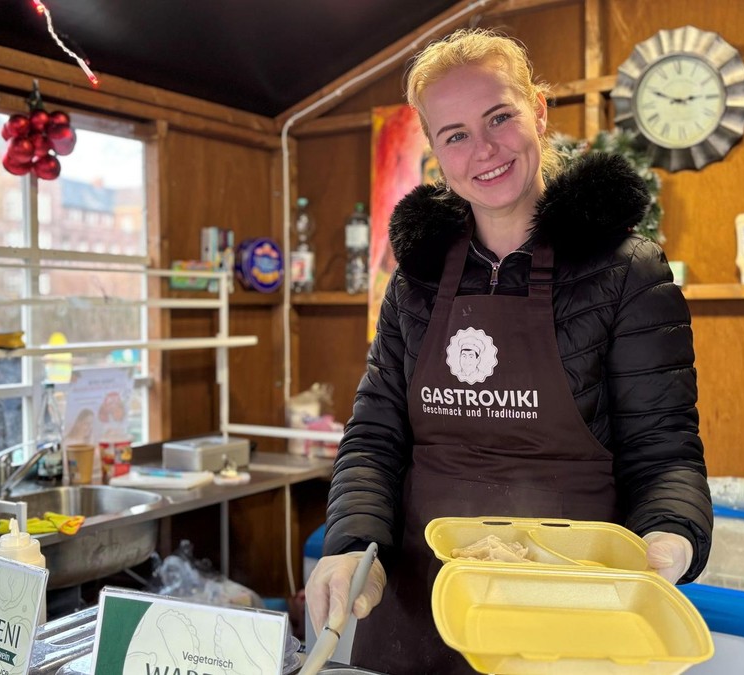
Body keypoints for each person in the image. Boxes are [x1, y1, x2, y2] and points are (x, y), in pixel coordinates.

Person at [305, 28, 712, 674]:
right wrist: (350, 542)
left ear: (540, 112)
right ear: (436, 151)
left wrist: (669, 540)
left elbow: (664, 450)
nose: (483, 149)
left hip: (570, 617)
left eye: (500, 117)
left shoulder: (626, 271)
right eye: (456, 134)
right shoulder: (416, 278)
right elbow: (376, 434)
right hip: (422, 607)